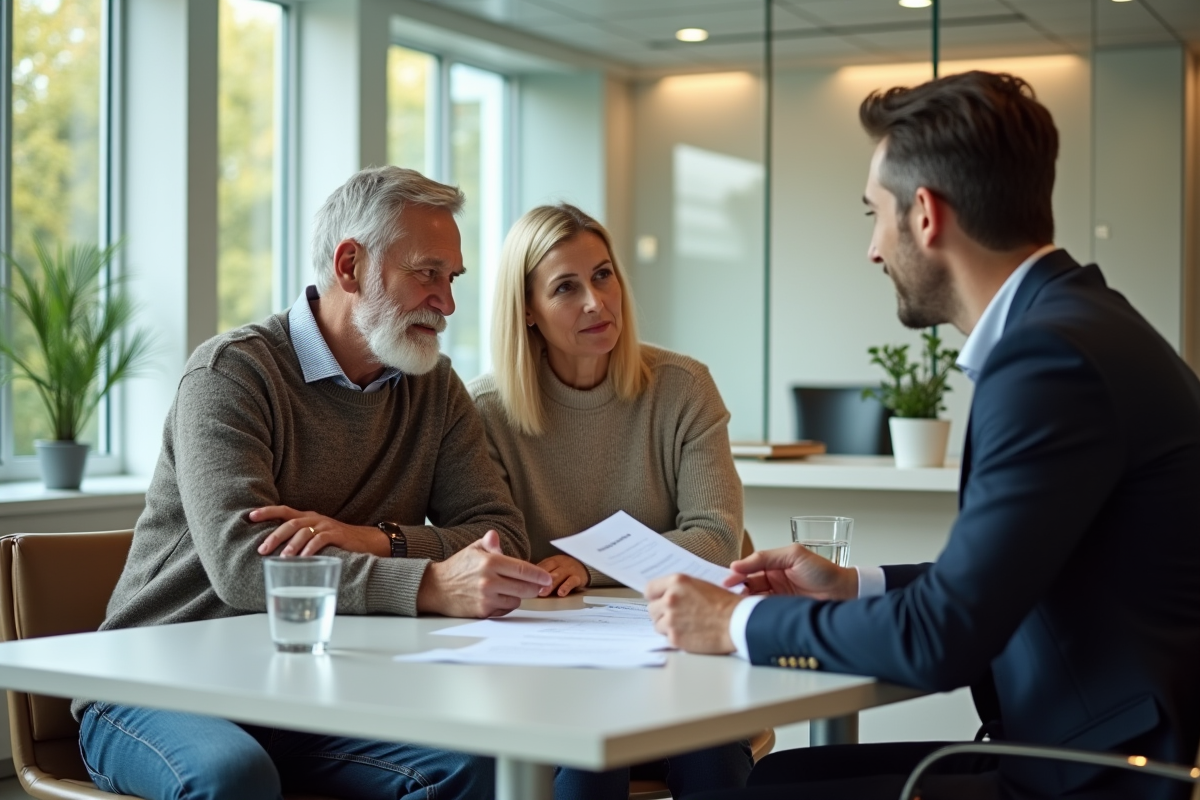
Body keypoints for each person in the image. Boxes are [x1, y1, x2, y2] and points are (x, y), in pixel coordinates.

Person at [646, 71, 1200, 800]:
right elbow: (994, 585)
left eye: (875, 214)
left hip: (1093, 776)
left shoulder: (1048, 360)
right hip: (1090, 744)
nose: (875, 248)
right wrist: (851, 587)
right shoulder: (1081, 323)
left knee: (772, 792)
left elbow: (944, 638)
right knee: (778, 775)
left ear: (927, 216)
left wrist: (740, 622)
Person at [73, 166, 553, 800]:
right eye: (426, 273)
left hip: (309, 695)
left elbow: (501, 537)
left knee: (478, 766)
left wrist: (376, 541)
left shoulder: (435, 387)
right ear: (350, 265)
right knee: (234, 777)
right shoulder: (231, 374)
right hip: (156, 683)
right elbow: (246, 566)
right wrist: (432, 582)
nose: (447, 302)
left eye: (451, 278)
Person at [467, 203, 754, 799]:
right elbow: (492, 551)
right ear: (527, 310)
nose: (596, 302)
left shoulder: (683, 387)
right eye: (566, 287)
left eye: (603, 275)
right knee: (588, 763)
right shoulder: (487, 412)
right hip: (552, 664)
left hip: (678, 650)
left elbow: (715, 538)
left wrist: (585, 566)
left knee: (713, 753)